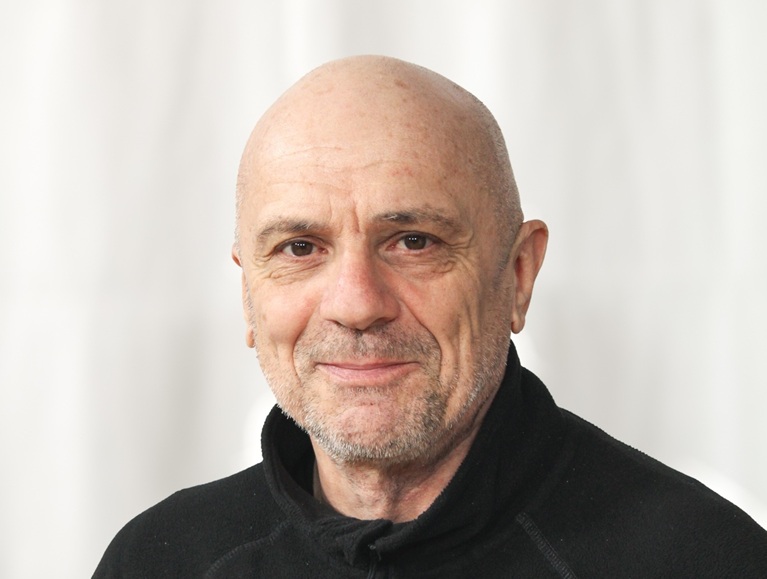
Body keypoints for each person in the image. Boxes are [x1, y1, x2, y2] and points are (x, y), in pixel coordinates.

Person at [94, 55, 767, 578]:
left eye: (413, 241)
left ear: (517, 275)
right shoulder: (159, 560)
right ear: (249, 294)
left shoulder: (704, 560)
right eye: (300, 248)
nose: (356, 304)